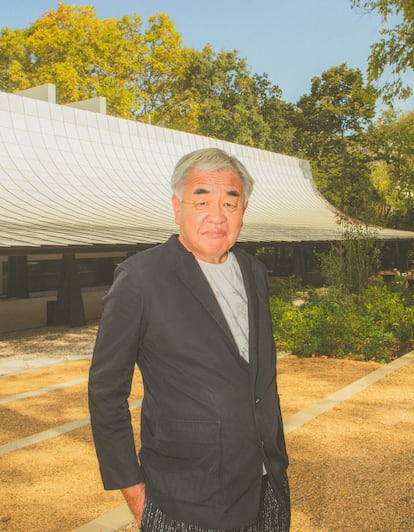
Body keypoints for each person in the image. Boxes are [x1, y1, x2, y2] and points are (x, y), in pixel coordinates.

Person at [88, 147, 290, 531]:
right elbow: (105, 391)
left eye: (231, 202)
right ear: (176, 205)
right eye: (202, 200)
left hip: (267, 485)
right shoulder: (141, 279)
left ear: (243, 210)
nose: (217, 215)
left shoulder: (254, 272)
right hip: (185, 497)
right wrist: (134, 491)